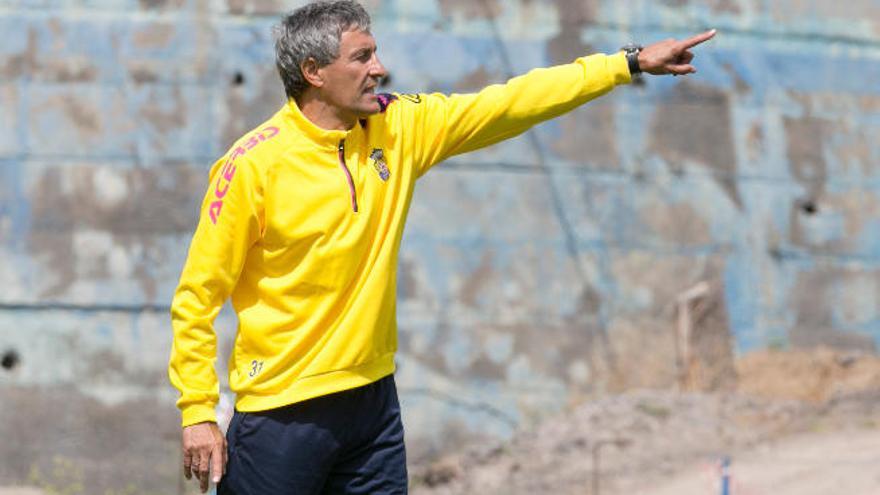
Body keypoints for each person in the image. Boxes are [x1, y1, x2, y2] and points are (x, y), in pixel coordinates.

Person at [167, 1, 716, 493]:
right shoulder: (250, 166)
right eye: (361, 58)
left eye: (375, 53)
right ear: (314, 73)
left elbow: (507, 104)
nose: (377, 68)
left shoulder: (398, 126)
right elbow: (197, 296)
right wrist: (198, 410)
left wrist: (625, 64)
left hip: (373, 405)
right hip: (283, 418)